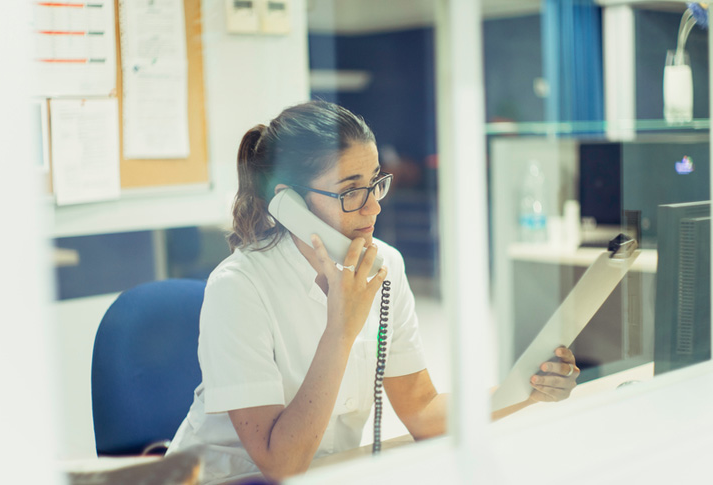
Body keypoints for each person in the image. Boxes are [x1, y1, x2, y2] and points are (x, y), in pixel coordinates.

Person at [166, 100, 578, 484]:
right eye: (350, 191)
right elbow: (281, 465)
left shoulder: (385, 265)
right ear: (287, 202)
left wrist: (528, 388)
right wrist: (341, 330)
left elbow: (421, 411)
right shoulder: (239, 287)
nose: (373, 207)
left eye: (375, 183)